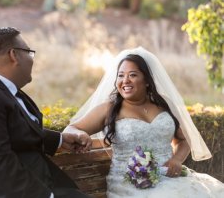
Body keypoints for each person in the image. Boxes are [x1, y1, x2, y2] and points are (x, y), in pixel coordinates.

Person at [0, 27, 91, 198]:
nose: (32, 59)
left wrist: (60, 140)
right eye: (29, 52)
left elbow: (15, 131)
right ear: (14, 55)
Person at [64, 47, 224, 197]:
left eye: (132, 75)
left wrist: (176, 160)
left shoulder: (164, 104)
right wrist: (79, 133)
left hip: (169, 178)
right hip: (130, 184)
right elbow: (71, 129)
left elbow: (183, 140)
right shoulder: (109, 108)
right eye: (121, 75)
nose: (125, 80)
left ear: (147, 80)